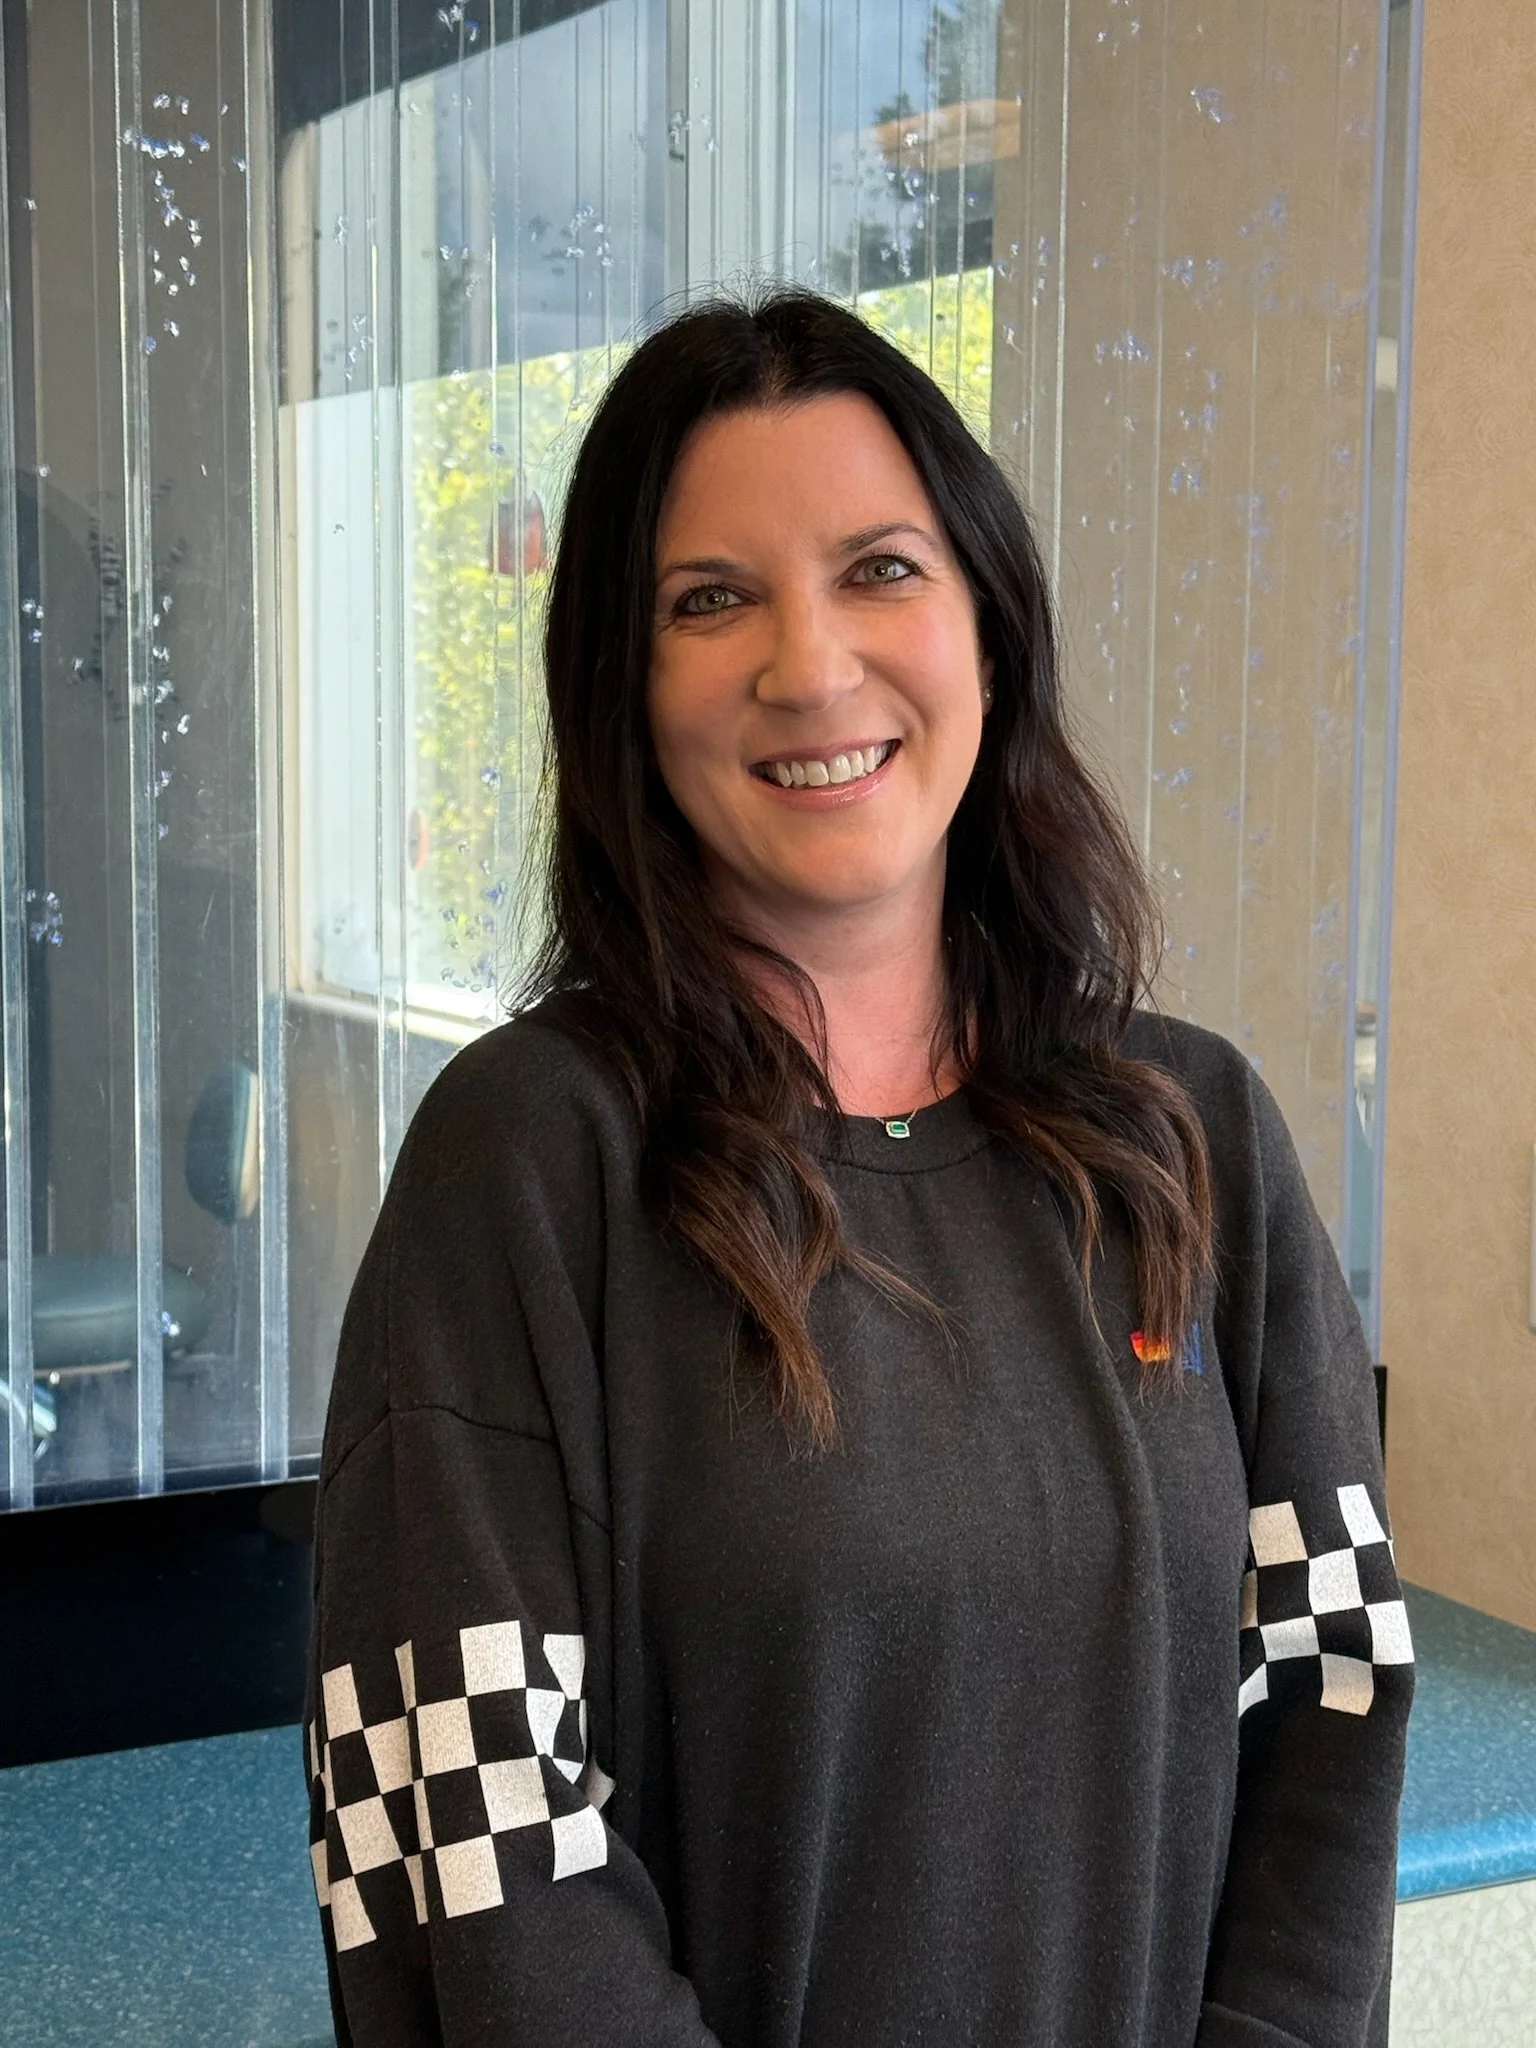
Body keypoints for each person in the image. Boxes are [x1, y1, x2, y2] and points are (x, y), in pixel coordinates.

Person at [305, 286, 1412, 2047]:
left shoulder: (1192, 1139)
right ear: (623, 685)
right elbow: (469, 1827)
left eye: (880, 569)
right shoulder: (527, 1166)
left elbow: (1331, 1698)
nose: (809, 665)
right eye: (710, 598)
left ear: (989, 624)